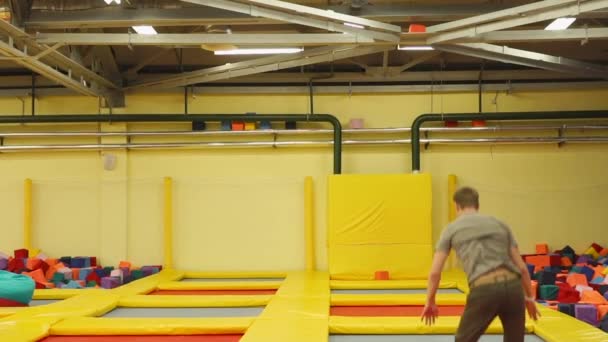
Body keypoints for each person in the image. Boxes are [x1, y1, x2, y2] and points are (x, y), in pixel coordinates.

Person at [421, 186, 540, 342]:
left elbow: (435, 272)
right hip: (513, 287)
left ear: (457, 206)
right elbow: (522, 268)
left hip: (485, 289)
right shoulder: (500, 224)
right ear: (477, 205)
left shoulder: (451, 229)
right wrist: (529, 298)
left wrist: (430, 301)